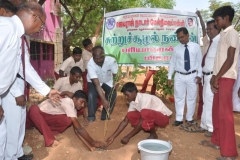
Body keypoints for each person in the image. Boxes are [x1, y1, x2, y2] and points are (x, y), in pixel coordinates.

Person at [0, 2, 61, 160]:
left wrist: (47, 91)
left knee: (5, 132)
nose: (41, 29)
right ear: (34, 17)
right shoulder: (5, 28)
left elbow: (24, 67)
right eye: (41, 24)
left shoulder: (18, 35)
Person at [200, 6, 239, 160]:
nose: (216, 23)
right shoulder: (223, 35)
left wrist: (217, 77)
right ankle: (216, 141)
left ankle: (229, 153)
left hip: (226, 77)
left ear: (226, 18)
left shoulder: (233, 34)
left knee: (225, 116)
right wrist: (214, 76)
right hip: (219, 77)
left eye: (217, 20)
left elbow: (230, 59)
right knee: (216, 112)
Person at [26, 90, 106, 151]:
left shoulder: (73, 109)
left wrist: (89, 146)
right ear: (74, 99)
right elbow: (79, 129)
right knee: (34, 109)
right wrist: (94, 142)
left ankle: (50, 131)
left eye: (84, 104)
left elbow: (77, 131)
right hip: (34, 115)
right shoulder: (67, 103)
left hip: (43, 118)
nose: (82, 105)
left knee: (68, 120)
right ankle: (50, 140)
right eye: (81, 102)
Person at [106, 82, 172, 146]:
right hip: (153, 116)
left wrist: (128, 137)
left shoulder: (144, 99)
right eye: (125, 95)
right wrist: (112, 137)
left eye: (127, 95)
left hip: (163, 118)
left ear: (134, 92)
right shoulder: (132, 101)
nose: (126, 97)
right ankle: (151, 128)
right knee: (130, 115)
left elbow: (143, 119)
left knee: (144, 113)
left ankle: (153, 135)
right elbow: (125, 120)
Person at [168, 27, 202, 127]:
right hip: (179, 76)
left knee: (191, 98)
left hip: (192, 75)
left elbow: (200, 62)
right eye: (179, 38)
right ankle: (179, 118)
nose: (181, 39)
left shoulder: (196, 47)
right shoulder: (176, 49)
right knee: (179, 97)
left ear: (188, 35)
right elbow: (172, 63)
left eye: (182, 37)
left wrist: (199, 75)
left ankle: (189, 118)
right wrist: (169, 76)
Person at [195, 11, 220, 137]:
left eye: (210, 29)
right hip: (206, 76)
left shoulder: (220, 42)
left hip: (212, 76)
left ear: (217, 28)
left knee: (210, 102)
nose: (208, 31)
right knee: (205, 101)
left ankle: (210, 128)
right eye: (207, 29)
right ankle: (204, 125)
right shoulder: (211, 42)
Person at [87, 46, 118, 121]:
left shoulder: (112, 60)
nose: (98, 60)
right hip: (94, 81)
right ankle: (91, 116)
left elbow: (115, 74)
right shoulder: (90, 64)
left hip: (107, 81)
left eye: (100, 58)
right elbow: (97, 85)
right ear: (92, 56)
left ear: (104, 54)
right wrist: (103, 100)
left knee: (113, 94)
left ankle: (105, 115)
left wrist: (115, 82)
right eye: (95, 58)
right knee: (91, 95)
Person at [82, 17, 103, 93]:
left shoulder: (92, 46)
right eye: (88, 47)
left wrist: (100, 23)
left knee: (97, 86)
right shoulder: (85, 54)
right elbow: (88, 69)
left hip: (95, 70)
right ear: (85, 48)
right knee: (87, 87)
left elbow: (96, 34)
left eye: (91, 45)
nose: (90, 48)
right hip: (86, 72)